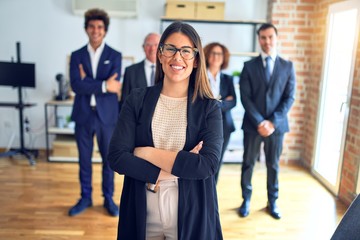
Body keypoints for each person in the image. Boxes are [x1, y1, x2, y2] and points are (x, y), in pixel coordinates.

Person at [108, 21, 224, 239]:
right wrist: (179, 166)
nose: (177, 58)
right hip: (142, 212)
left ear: (196, 60)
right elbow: (116, 157)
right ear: (160, 55)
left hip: (191, 213)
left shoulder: (209, 108)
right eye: (170, 49)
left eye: (186, 51)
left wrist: (144, 152)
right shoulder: (137, 99)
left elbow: (206, 165)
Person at [238, 23, 296, 220]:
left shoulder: (288, 66)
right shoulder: (248, 66)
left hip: (277, 128)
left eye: (270, 37)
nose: (267, 41)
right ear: (259, 39)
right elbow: (245, 98)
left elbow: (289, 98)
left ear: (276, 38)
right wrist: (260, 122)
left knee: (273, 165)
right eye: (263, 37)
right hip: (253, 126)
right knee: (248, 164)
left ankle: (273, 201)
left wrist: (272, 123)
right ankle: (246, 199)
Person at [68, 8, 121, 217]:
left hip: (107, 117)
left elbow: (115, 85)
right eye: (92, 26)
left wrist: (87, 81)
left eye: (99, 27)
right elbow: (75, 85)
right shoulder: (76, 56)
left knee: (109, 160)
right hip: (83, 115)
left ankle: (108, 198)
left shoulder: (114, 56)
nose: (95, 30)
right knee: (84, 160)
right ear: (86, 29)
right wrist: (102, 85)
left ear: (105, 31)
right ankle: (85, 197)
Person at [204, 42, 236, 184]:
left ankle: (213, 191)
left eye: (219, 54)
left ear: (224, 58)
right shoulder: (200, 76)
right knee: (204, 160)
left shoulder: (228, 79)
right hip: (203, 125)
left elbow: (233, 101)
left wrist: (214, 104)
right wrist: (222, 102)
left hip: (225, 127)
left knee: (217, 161)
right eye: (213, 53)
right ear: (207, 55)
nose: (216, 57)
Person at [119, 32, 160, 111]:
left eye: (156, 45)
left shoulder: (168, 71)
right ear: (143, 47)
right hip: (137, 119)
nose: (152, 49)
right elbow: (125, 102)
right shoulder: (130, 71)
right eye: (149, 45)